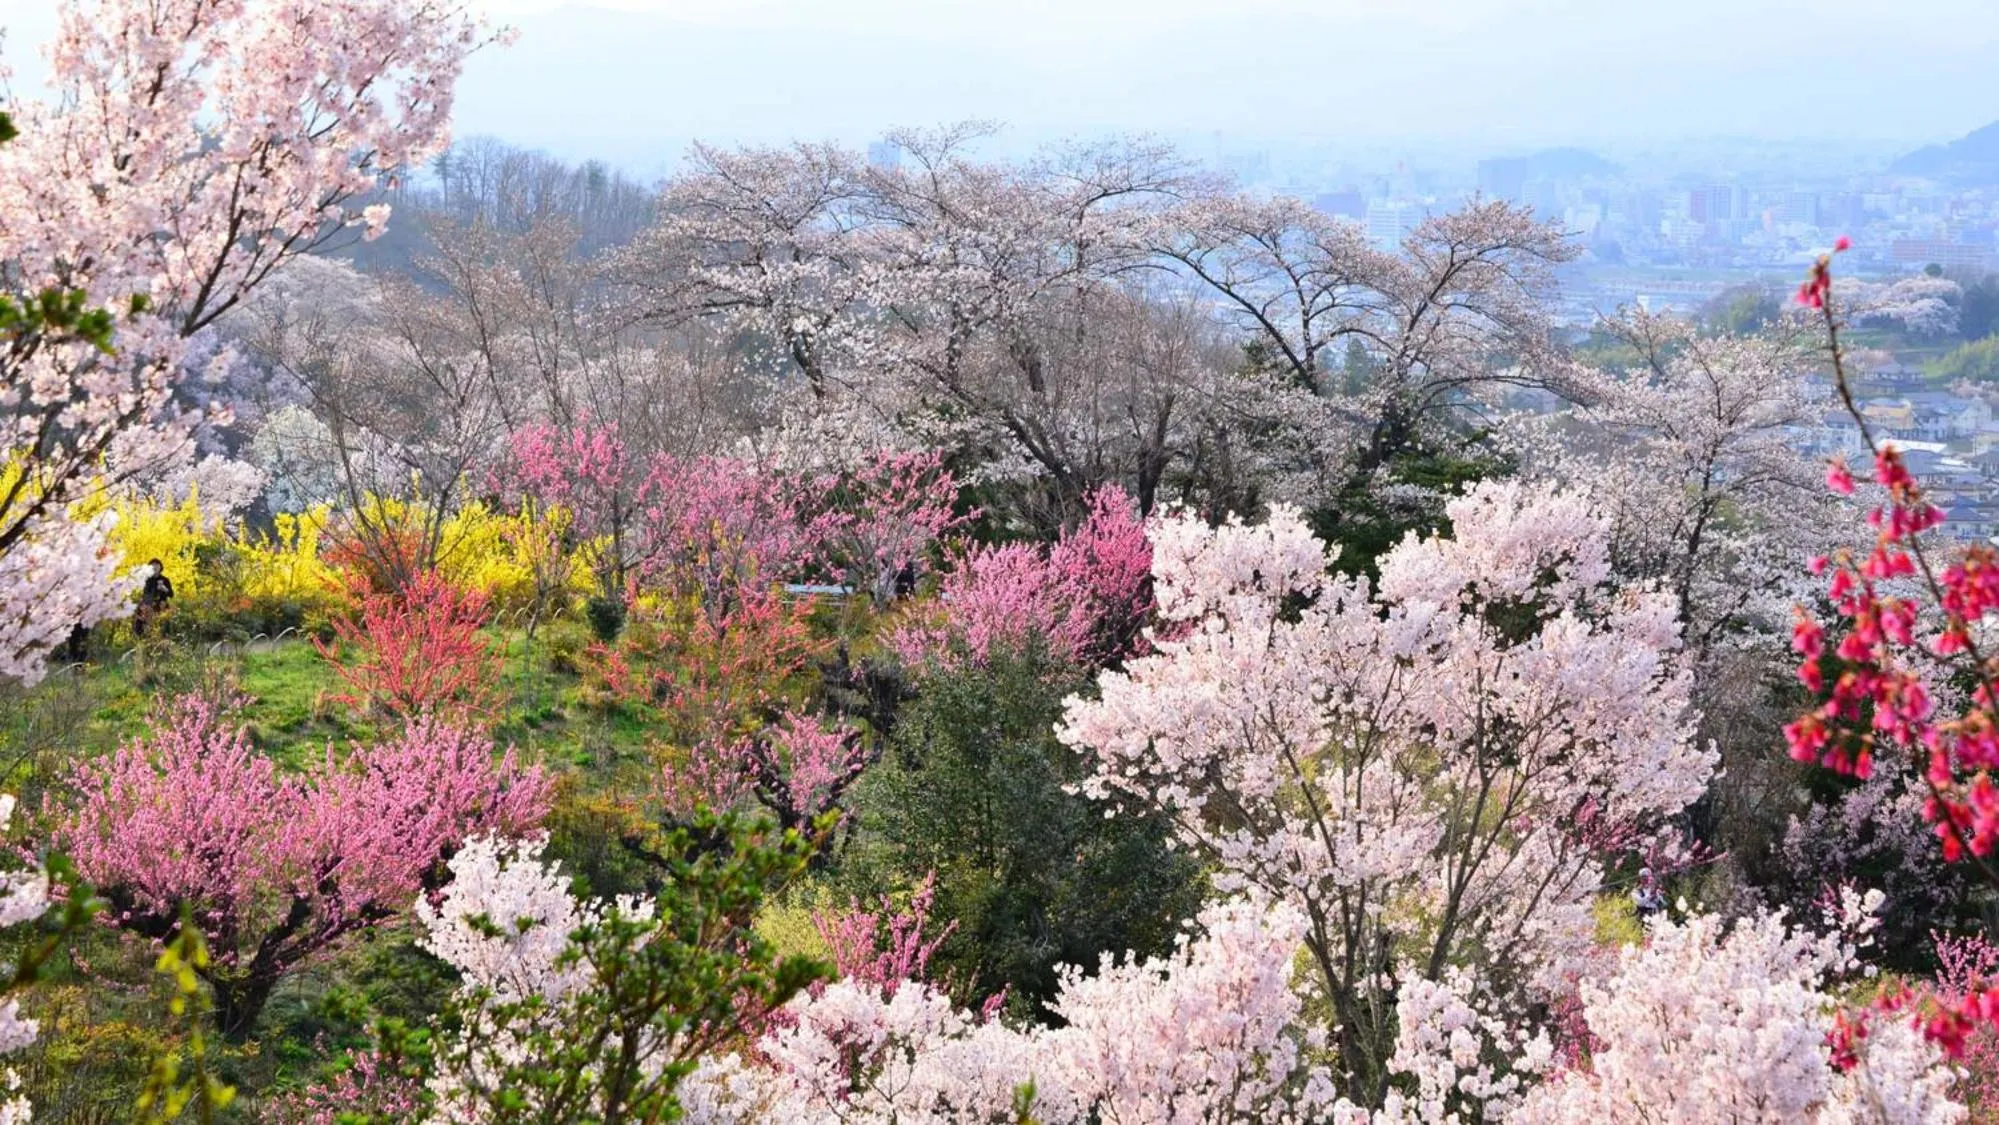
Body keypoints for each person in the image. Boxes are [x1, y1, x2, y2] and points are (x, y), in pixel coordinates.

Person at [133, 558, 174, 638]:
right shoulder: (147, 580)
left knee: (163, 626)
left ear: (160, 567)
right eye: (152, 565)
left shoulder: (165, 580)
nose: (154, 567)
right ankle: (141, 640)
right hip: (148, 605)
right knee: (140, 624)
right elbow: (144, 594)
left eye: (157, 565)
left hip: (162, 605)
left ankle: (164, 642)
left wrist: (165, 589)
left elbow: (171, 595)